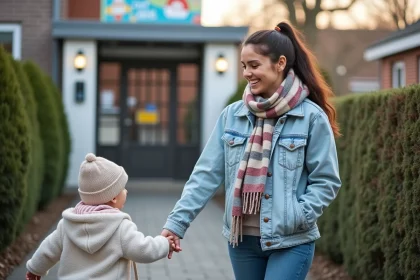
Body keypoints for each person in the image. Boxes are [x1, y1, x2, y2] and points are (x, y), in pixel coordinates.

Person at [161, 21, 342, 280]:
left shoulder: (310, 117)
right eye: (244, 66)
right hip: (241, 241)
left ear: (280, 63)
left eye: (254, 65)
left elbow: (326, 181)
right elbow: (205, 175)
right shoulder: (232, 116)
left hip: (290, 241)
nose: (247, 72)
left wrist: (297, 215)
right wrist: (176, 225)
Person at [26, 153, 175, 280]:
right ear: (113, 198)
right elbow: (144, 250)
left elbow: (47, 250)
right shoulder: (120, 228)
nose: (126, 192)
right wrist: (165, 244)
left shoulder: (67, 224)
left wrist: (34, 269)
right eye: (123, 188)